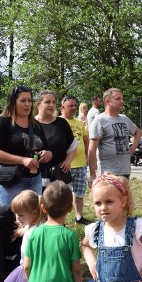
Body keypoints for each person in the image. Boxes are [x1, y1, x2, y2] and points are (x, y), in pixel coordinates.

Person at [0, 85, 52, 207]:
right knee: (13, 218)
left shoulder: (36, 125)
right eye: (23, 100)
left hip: (35, 179)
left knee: (34, 218)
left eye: (29, 100)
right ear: (13, 102)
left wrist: (48, 154)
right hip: (11, 180)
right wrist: (23, 160)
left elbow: (47, 149)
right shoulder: (1, 122)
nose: (27, 104)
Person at [87, 88, 141, 181]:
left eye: (122, 99)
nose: (122, 101)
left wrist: (131, 150)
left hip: (125, 171)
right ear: (107, 101)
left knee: (123, 196)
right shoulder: (100, 120)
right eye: (118, 99)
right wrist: (92, 175)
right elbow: (92, 150)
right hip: (107, 173)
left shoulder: (124, 119)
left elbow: (138, 132)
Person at [34, 91, 78, 191]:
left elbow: (73, 148)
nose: (51, 105)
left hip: (60, 178)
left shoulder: (62, 123)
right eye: (48, 102)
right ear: (38, 105)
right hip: (37, 178)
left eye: (54, 102)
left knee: (62, 206)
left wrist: (68, 161)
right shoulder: (30, 124)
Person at [60, 95, 91, 225]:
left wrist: (87, 157)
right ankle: (59, 219)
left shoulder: (79, 123)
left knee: (79, 193)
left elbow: (85, 140)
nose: (73, 108)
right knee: (61, 195)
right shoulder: (58, 122)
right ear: (62, 107)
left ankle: (79, 217)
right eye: (70, 106)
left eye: (74, 105)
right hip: (65, 165)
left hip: (81, 165)